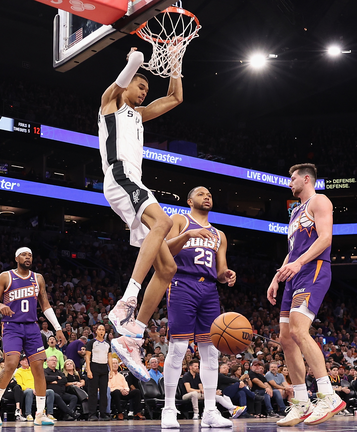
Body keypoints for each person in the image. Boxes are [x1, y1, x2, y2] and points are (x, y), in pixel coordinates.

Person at [99, 47, 184, 383]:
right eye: (140, 86)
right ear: (127, 87)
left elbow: (175, 98)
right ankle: (128, 299)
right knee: (163, 222)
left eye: (147, 88)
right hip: (120, 175)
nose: (145, 90)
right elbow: (114, 89)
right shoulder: (110, 106)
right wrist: (132, 62)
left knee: (167, 268)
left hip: (133, 182)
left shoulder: (138, 114)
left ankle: (132, 335)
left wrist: (175, 62)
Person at [266, 163, 343, 426]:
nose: (289, 182)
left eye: (293, 178)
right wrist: (278, 276)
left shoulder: (319, 200)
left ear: (306, 179)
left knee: (299, 331)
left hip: (314, 269)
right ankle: (301, 402)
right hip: (294, 274)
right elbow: (293, 250)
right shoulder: (295, 210)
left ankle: (328, 395)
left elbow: (325, 238)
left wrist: (298, 264)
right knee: (286, 338)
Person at [158, 186, 237, 428]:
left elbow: (220, 269)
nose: (207, 197)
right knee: (179, 347)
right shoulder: (180, 220)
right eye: (202, 194)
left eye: (210, 194)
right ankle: (169, 409)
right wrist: (187, 236)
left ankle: (211, 410)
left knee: (211, 352)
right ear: (190, 200)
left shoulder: (219, 235)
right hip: (183, 283)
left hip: (210, 290)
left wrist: (227, 275)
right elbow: (163, 250)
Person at [0, 247, 67, 426]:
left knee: (38, 368)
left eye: (30, 254)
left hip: (31, 327)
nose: (28, 257)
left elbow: (45, 305)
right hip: (12, 326)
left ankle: (39, 413)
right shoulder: (6, 276)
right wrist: (0, 307)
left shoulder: (38, 278)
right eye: (24, 254)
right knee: (11, 364)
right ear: (16, 258)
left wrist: (58, 328)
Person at [85, 323, 112, 421]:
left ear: (105, 332)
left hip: (104, 368)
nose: (101, 331)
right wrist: (89, 370)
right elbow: (87, 357)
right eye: (99, 329)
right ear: (96, 331)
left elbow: (109, 357)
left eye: (103, 330)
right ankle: (92, 414)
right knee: (92, 392)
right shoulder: (91, 342)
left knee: (104, 392)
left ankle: (103, 413)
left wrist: (111, 370)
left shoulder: (107, 343)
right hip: (94, 367)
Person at [44, 355, 78, 420]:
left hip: (62, 393)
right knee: (57, 396)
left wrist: (56, 382)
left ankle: (67, 415)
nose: (54, 362)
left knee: (73, 397)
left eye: (55, 361)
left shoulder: (59, 372)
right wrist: (57, 378)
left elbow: (64, 380)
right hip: (52, 393)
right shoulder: (45, 371)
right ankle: (71, 413)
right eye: (52, 360)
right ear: (47, 362)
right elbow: (46, 378)